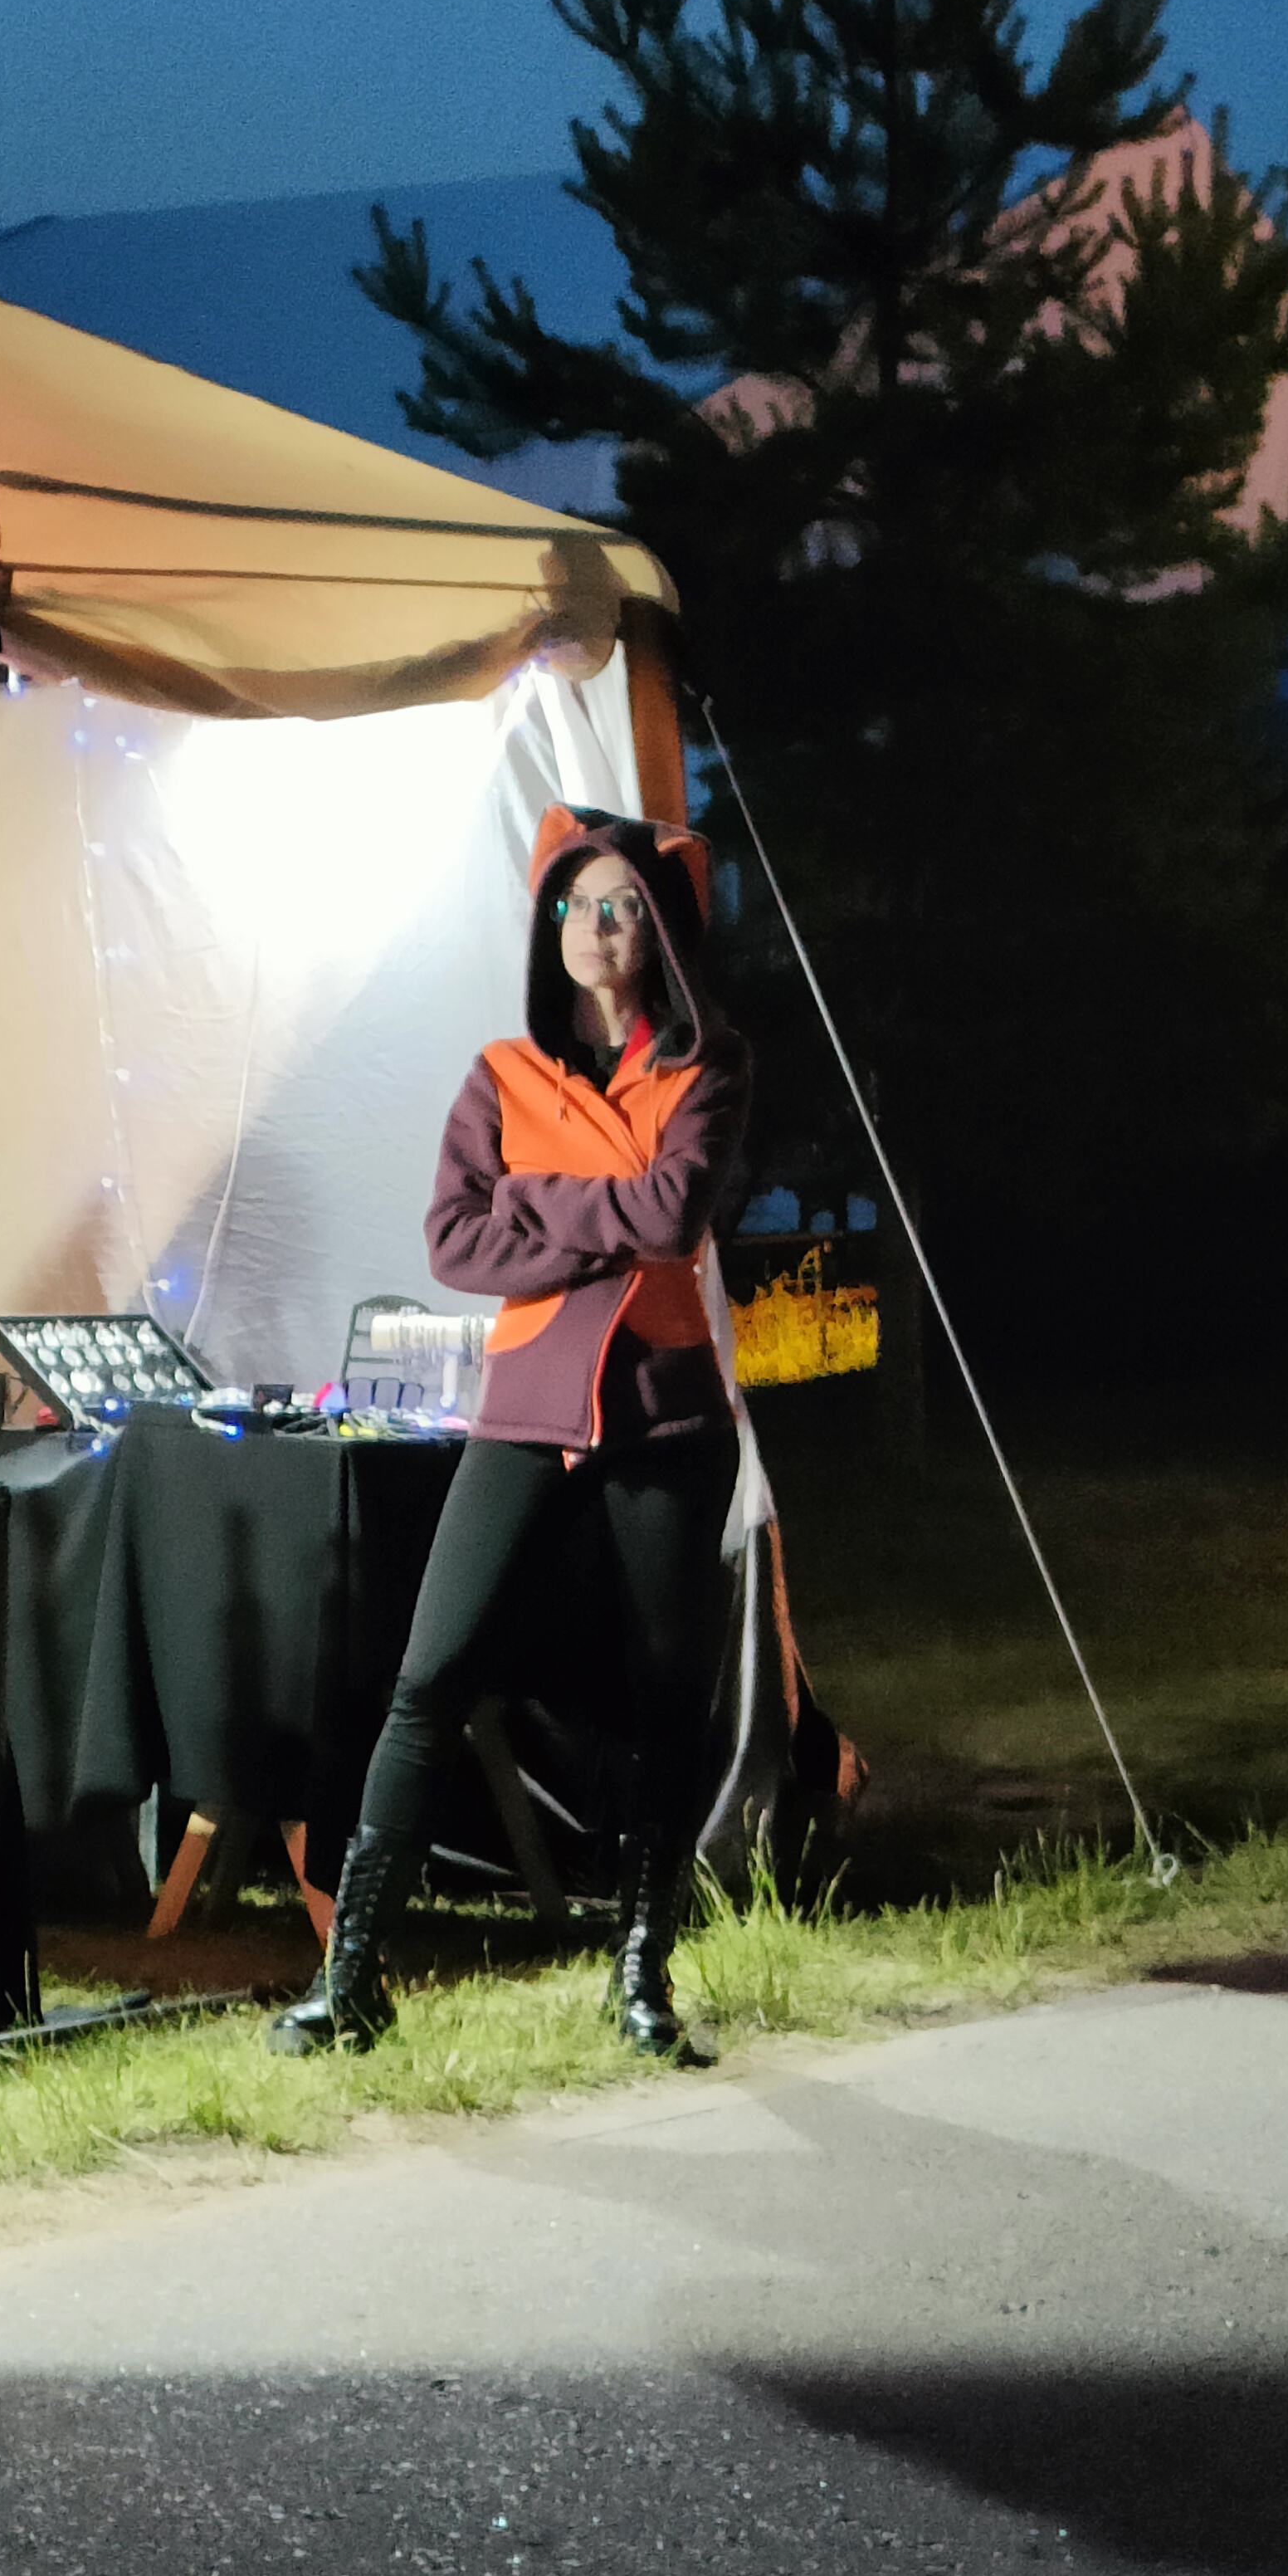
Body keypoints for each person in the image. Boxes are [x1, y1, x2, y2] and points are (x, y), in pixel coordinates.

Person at [271, 802, 749, 2065]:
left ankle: (642, 1979)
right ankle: (350, 1981)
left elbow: (676, 1213)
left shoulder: (707, 1066)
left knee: (667, 1704)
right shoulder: (502, 1073)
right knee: (429, 1678)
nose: (600, 928)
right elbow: (454, 1240)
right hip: (527, 1405)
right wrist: (605, 1207)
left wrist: (535, 1197)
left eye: (625, 908)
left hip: (665, 1413)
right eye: (579, 906)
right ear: (553, 926)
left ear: (660, 930)